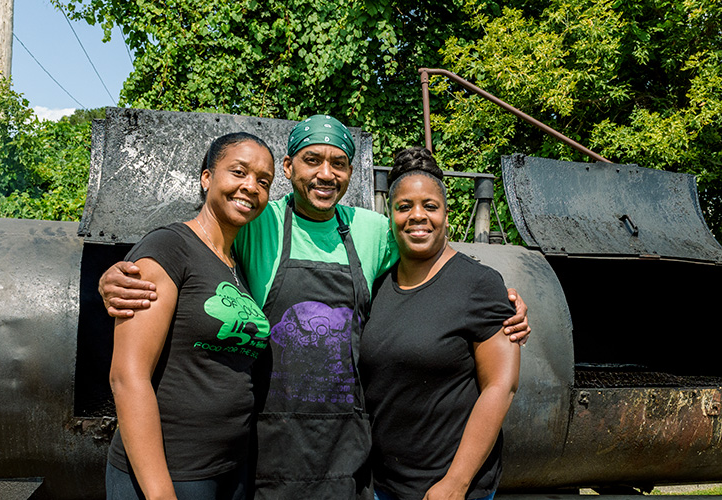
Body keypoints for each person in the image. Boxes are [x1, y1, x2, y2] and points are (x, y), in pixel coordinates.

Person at [99, 115, 531, 499]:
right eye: (311, 160)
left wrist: (497, 298)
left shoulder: (375, 229)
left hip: (346, 447)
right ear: (288, 169)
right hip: (269, 448)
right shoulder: (256, 220)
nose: (325, 173)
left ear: (348, 173)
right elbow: (192, 245)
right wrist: (115, 276)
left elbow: (431, 250)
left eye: (338, 163)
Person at [105, 133, 275, 500]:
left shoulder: (234, 262)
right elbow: (127, 376)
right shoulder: (169, 247)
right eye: (239, 172)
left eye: (264, 181)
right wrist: (160, 492)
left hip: (228, 470)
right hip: (170, 475)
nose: (251, 186)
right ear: (206, 178)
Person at [361, 147, 520, 500]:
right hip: (384, 486)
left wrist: (456, 483)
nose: (417, 216)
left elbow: (501, 386)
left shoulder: (480, 285)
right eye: (404, 207)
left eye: (429, 206)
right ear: (390, 216)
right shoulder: (377, 285)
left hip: (450, 489)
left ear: (447, 215)